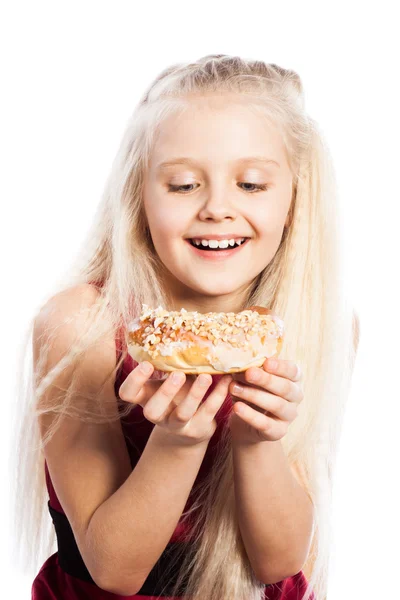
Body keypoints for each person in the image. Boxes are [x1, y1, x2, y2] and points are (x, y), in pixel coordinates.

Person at [10, 54, 359, 600]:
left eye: (250, 184)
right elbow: (114, 569)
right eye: (182, 185)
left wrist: (256, 440)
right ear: (140, 196)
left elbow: (280, 562)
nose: (218, 208)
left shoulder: (316, 324)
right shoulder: (83, 324)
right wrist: (177, 439)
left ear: (294, 199)